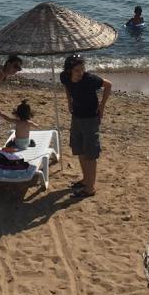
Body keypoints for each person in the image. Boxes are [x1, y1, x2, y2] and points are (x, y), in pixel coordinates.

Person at [60, 54, 112, 198]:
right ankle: (85, 180)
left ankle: (90, 188)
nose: (81, 72)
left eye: (82, 69)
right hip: (76, 117)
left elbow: (108, 85)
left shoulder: (90, 79)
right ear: (69, 70)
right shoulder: (64, 76)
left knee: (90, 153)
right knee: (79, 149)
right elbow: (67, 86)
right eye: (77, 70)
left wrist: (102, 107)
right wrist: (69, 101)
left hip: (90, 119)